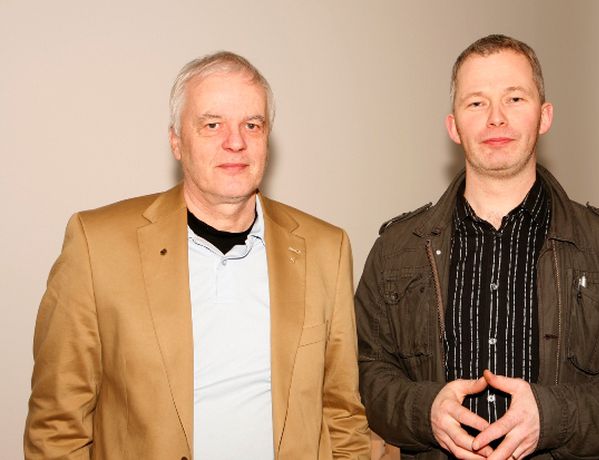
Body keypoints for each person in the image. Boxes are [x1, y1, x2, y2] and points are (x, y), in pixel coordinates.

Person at [25, 51, 370, 459]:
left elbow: (343, 416)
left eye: (252, 125)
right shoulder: (97, 245)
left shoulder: (326, 249)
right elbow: (57, 426)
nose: (235, 142)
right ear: (176, 141)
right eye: (212, 124)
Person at [355, 34, 599, 460]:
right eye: (476, 103)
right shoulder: (395, 252)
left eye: (515, 99)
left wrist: (555, 417)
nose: (496, 119)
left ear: (544, 116)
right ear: (453, 126)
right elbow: (366, 371)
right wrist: (424, 410)